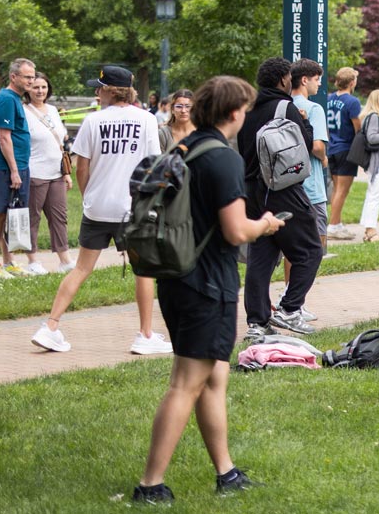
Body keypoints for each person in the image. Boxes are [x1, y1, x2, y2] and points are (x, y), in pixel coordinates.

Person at [132, 75, 286, 504]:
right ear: (235, 112)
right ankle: (150, 485)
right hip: (207, 283)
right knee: (186, 382)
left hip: (175, 277)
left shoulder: (184, 147)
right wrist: (268, 224)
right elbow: (237, 231)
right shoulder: (223, 158)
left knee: (214, 377)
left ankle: (227, 472)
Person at [32, 66, 170, 354]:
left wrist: (89, 195)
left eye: (100, 87)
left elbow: (82, 165)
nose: (96, 91)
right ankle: (145, 336)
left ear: (111, 91)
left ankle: (51, 326)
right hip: (131, 206)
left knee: (82, 267)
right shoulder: (146, 120)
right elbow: (153, 164)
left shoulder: (93, 121)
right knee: (143, 270)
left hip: (97, 207)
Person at [239, 57, 321, 338]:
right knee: (310, 250)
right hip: (282, 189)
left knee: (261, 255)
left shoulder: (246, 107)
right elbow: (305, 146)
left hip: (251, 190)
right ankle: (289, 309)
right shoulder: (286, 107)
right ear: (284, 80)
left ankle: (257, 321)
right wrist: (306, 124)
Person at [0, 58, 34, 280]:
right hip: (4, 168)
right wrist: (13, 170)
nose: (31, 81)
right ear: (14, 77)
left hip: (18, 166)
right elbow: (4, 138)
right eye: (27, 77)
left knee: (10, 215)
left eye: (32, 76)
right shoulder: (5, 99)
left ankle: (9, 261)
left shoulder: (15, 99)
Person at [24, 71, 73, 274]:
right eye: (36, 87)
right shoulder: (23, 110)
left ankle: (65, 260)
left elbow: (61, 141)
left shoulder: (53, 110)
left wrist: (66, 172)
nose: (40, 91)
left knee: (59, 217)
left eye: (43, 87)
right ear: (28, 89)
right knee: (32, 217)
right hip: (35, 172)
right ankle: (32, 260)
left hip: (57, 173)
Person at [288, 60, 331, 267]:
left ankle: (288, 292)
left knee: (291, 247)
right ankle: (299, 295)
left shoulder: (283, 106)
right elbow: (317, 147)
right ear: (304, 80)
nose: (319, 84)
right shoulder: (314, 109)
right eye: (317, 80)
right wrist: (323, 157)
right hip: (311, 186)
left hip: (287, 184)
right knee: (315, 245)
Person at [324, 68, 363, 240]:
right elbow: (358, 128)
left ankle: (336, 223)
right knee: (342, 190)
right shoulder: (352, 101)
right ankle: (332, 227)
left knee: (336, 188)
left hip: (331, 147)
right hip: (346, 148)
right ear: (352, 82)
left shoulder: (328, 99)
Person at [356, 89, 379, 242]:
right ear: (376, 102)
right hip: (376, 160)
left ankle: (368, 229)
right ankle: (371, 230)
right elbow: (372, 138)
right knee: (375, 195)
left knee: (374, 194)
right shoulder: (374, 117)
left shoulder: (374, 117)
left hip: (377, 160)